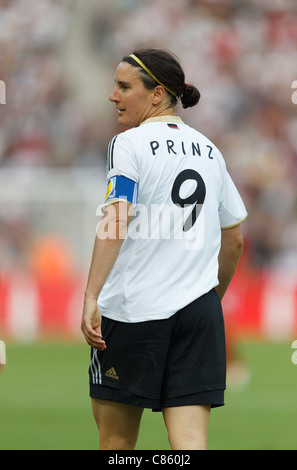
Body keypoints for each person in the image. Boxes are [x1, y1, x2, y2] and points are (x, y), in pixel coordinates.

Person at [81, 48, 247, 450]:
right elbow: (235, 238)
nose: (112, 96)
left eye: (124, 86)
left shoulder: (128, 144)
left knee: (116, 443)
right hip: (198, 314)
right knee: (190, 444)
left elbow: (116, 218)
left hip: (134, 309)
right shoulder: (211, 150)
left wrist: (90, 295)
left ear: (157, 94)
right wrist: (209, 299)